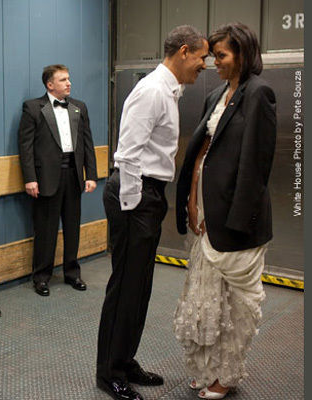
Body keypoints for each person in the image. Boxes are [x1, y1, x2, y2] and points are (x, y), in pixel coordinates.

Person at [96, 25, 209, 400]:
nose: (203, 64)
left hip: (148, 194)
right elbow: (127, 155)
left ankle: (125, 361)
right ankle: (108, 373)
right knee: (125, 286)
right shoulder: (152, 91)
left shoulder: (168, 90)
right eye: (201, 56)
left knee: (139, 288)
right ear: (183, 51)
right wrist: (132, 210)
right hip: (135, 194)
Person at [174, 23, 276, 400]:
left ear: (243, 55)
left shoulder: (259, 94)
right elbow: (202, 152)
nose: (213, 62)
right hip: (206, 214)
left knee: (237, 307)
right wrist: (191, 200)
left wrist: (235, 222)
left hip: (236, 224)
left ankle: (227, 375)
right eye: (212, 55)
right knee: (206, 300)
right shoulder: (216, 94)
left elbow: (256, 168)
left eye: (221, 56)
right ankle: (206, 369)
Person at [18, 64, 98, 297]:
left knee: (73, 227)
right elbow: (26, 147)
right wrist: (30, 178)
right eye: (63, 80)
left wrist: (90, 175)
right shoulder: (33, 108)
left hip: (73, 175)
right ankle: (41, 277)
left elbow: (87, 144)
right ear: (50, 84)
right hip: (46, 178)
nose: (68, 83)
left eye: (69, 79)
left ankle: (72, 273)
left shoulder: (79, 108)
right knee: (46, 230)